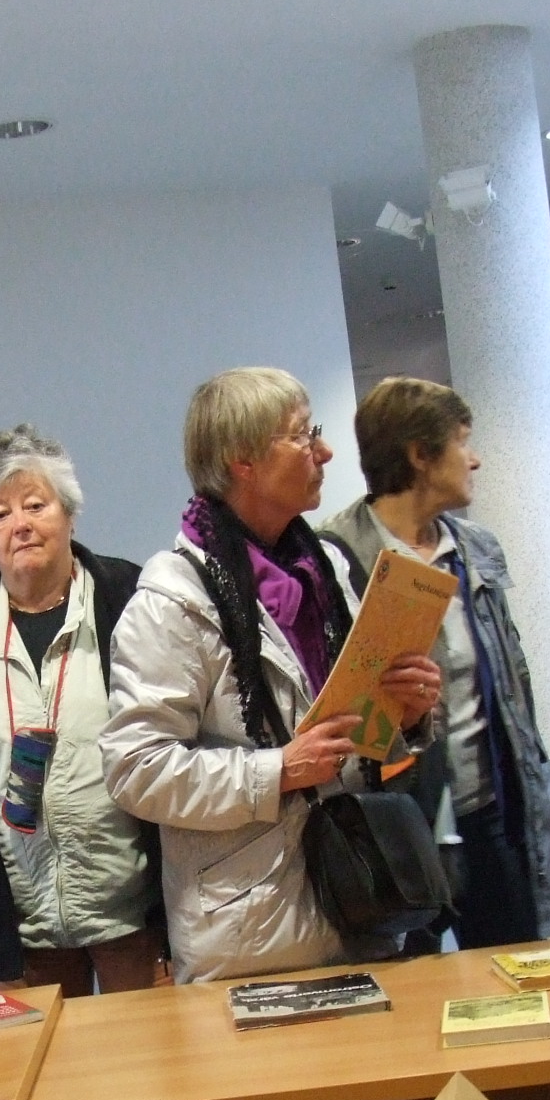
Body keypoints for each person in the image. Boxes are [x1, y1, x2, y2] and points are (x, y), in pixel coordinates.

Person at [101, 367, 444, 984]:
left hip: (360, 900)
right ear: (243, 461)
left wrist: (407, 714)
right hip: (249, 934)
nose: (325, 450)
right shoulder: (173, 600)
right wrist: (278, 770)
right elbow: (135, 769)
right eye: (302, 434)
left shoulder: (325, 568)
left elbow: (350, 737)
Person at [318, 378, 550, 950]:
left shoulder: (475, 547)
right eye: (462, 441)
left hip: (492, 813)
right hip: (392, 826)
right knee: (410, 988)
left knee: (518, 975)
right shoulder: (332, 556)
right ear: (420, 454)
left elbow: (514, 691)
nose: (474, 459)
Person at [0, 426, 160, 994]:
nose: (19, 524)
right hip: (21, 933)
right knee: (46, 1055)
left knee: (151, 1052)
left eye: (35, 505)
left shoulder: (132, 598)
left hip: (138, 919)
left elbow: (179, 739)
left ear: (69, 513)